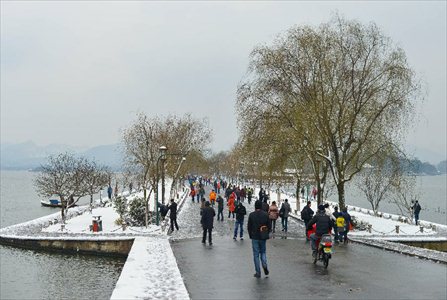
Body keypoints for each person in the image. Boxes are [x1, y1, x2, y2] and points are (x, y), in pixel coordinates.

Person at [247, 200, 271, 278]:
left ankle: (258, 272)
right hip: (262, 236)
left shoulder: (251, 215)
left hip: (254, 236)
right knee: (263, 252)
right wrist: (266, 233)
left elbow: (249, 227)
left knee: (256, 255)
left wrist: (251, 235)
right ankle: (264, 264)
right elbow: (269, 226)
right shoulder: (265, 215)